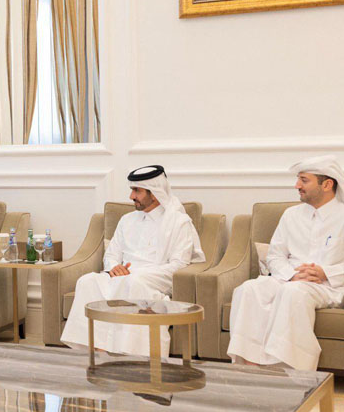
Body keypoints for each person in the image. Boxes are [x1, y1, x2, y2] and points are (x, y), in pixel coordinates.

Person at [60, 165, 206, 357]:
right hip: (121, 276)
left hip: (153, 279)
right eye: (132, 190)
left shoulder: (178, 222)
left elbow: (179, 265)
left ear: (154, 193)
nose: (131, 196)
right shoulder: (126, 220)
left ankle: (131, 356)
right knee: (86, 281)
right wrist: (114, 268)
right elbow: (111, 255)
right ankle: (98, 352)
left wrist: (135, 274)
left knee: (133, 282)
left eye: (137, 191)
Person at [228, 155, 344, 371]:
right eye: (298, 179)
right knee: (249, 289)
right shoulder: (291, 215)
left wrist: (325, 272)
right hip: (289, 278)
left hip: (328, 286)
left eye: (304, 180)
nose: (297, 185)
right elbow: (275, 256)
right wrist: (292, 274)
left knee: (293, 293)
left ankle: (289, 372)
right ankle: (249, 367)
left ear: (327, 184)